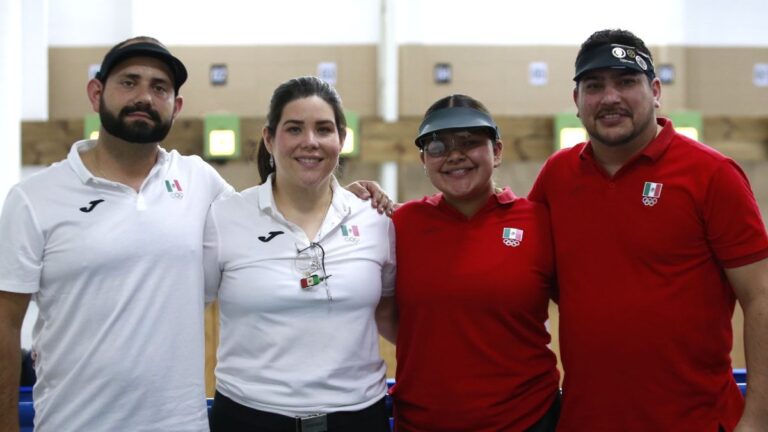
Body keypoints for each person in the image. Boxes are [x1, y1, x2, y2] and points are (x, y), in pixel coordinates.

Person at [529, 29, 768, 431]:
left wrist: (758, 419)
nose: (610, 98)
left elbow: (761, 296)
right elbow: (508, 250)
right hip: (586, 420)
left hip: (696, 422)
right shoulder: (557, 175)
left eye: (626, 82)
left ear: (655, 90)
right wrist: (389, 209)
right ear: (577, 100)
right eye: (594, 86)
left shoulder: (713, 175)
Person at [0, 36, 230, 431]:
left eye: (159, 87)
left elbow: (276, 214)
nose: (144, 96)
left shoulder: (200, 181)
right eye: (129, 82)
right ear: (96, 93)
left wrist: (344, 197)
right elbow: (5, 324)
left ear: (175, 107)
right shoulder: (33, 198)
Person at [203, 76, 397, 432]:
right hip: (250, 417)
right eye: (294, 129)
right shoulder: (225, 217)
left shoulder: (376, 220)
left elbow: (393, 312)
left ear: (342, 138)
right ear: (269, 138)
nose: (310, 142)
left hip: (356, 418)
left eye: (324, 129)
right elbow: (183, 309)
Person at [391, 94, 560, 431]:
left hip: (527, 421)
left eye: (469, 142)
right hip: (424, 422)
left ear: (496, 152)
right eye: (438, 147)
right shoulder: (399, 225)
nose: (455, 155)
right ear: (423, 160)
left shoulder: (540, 222)